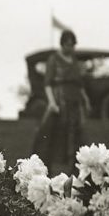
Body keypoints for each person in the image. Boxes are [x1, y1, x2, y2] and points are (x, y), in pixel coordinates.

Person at [31, 30, 90, 173]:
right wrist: (52, 102)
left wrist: (85, 100)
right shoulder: (54, 59)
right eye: (67, 45)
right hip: (59, 101)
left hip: (74, 102)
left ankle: (75, 170)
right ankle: (47, 169)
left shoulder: (74, 60)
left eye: (72, 45)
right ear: (62, 44)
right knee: (53, 137)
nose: (70, 48)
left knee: (76, 137)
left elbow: (79, 84)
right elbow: (48, 84)